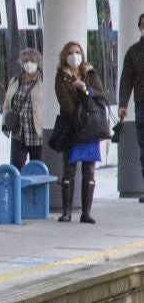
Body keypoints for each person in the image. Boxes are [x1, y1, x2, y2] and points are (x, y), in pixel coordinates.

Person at [55, 40, 106, 224]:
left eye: (77, 52)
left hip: (90, 128)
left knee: (89, 170)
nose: (74, 56)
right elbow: (65, 102)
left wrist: (85, 90)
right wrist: (80, 113)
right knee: (69, 169)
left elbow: (101, 95)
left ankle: (86, 212)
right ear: (65, 56)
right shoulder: (61, 76)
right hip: (71, 127)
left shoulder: (90, 73)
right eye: (70, 52)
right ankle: (67, 212)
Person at [2, 48, 45, 169]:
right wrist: (5, 123)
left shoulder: (43, 82)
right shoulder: (15, 81)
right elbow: (7, 104)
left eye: (32, 60)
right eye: (26, 61)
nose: (29, 63)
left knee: (37, 168)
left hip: (37, 133)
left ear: (38, 63)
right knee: (16, 167)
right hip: (19, 133)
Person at [118, 12, 144, 202]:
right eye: (143, 24)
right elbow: (126, 79)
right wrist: (123, 104)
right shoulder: (133, 52)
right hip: (142, 105)